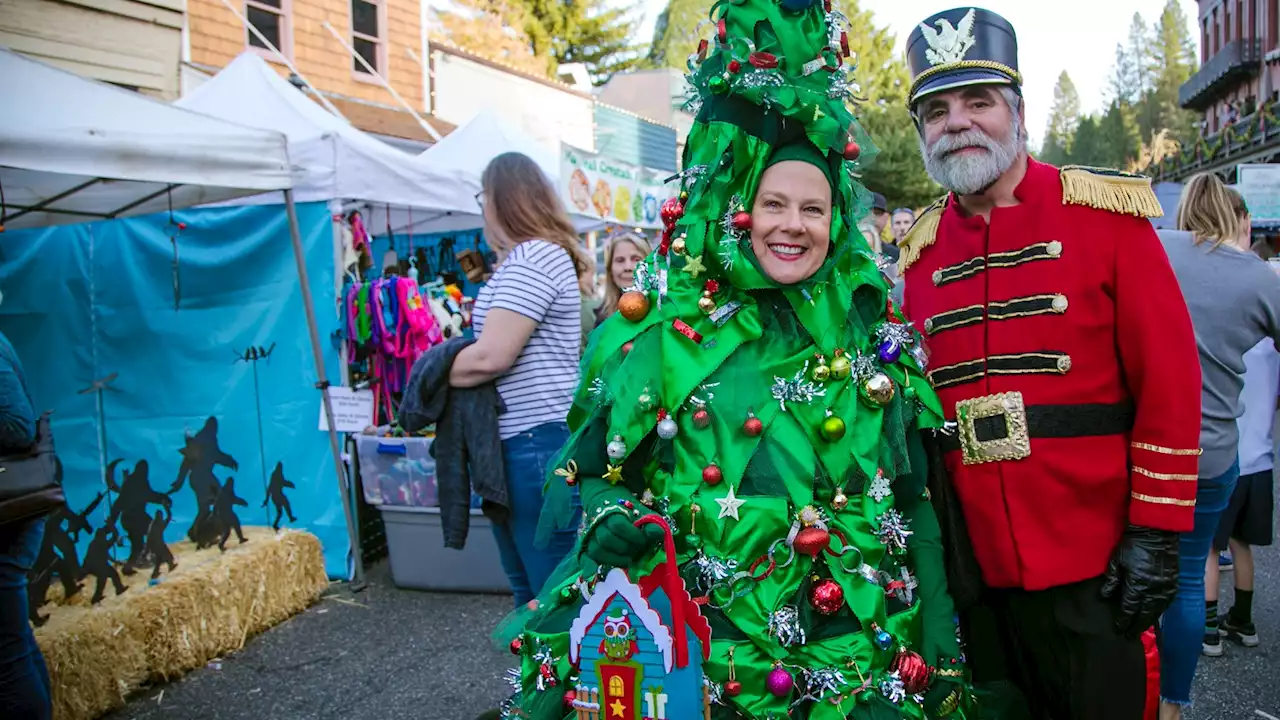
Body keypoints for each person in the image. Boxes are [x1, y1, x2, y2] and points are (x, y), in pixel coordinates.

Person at [481, 2, 969, 718]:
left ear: (836, 220)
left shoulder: (873, 336)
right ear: (742, 207)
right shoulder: (664, 330)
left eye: (812, 208)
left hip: (850, 648)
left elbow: (914, 496)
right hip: (702, 649)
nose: (792, 226)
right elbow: (595, 473)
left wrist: (940, 638)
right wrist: (612, 514)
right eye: (774, 203)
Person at [898, 8, 1201, 720]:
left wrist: (1155, 531)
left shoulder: (1103, 216)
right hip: (977, 572)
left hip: (1097, 559)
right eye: (936, 110)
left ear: (1018, 112)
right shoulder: (918, 255)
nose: (959, 123)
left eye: (979, 102)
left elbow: (1171, 377)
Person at [1156, 172, 1280, 716]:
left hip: (1143, 448)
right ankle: (1172, 704)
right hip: (1211, 454)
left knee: (1125, 572)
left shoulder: (1155, 250)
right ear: (1237, 219)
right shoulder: (1257, 278)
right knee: (1187, 577)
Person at [448, 152, 587, 607]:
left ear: (503, 199)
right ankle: (542, 680)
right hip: (529, 444)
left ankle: (564, 680)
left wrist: (430, 372)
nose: (481, 208)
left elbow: (492, 356)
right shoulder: (530, 258)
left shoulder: (535, 256)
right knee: (534, 595)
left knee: (549, 601)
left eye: (483, 197)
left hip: (534, 445)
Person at [1203, 335, 1278, 656]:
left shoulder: (1233, 345)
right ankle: (1242, 621)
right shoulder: (1274, 352)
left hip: (1228, 459)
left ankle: (1208, 632)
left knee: (1210, 547)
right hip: (1261, 462)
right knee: (1240, 544)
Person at [0, 329, 52, 719]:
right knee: (15, 643)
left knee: (7, 656)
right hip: (12, 516)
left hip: (9, 517)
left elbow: (17, 425)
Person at [594, 233, 652, 326]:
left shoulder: (668, 313)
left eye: (636, 259)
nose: (628, 267)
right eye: (620, 260)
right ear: (610, 269)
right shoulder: (602, 321)